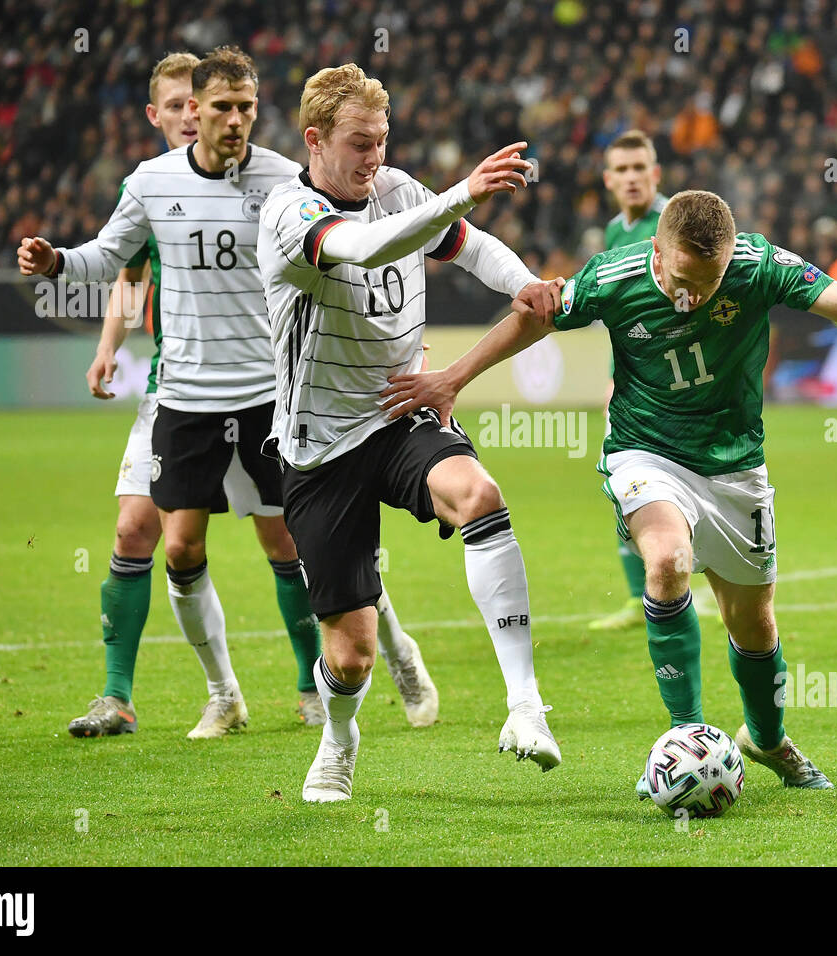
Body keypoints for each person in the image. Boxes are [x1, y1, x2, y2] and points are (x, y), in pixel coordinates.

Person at [383, 190, 837, 792]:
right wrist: (452, 377)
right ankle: (687, 742)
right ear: (656, 254)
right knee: (666, 561)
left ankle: (767, 740)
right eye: (685, 279)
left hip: (737, 465)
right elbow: (535, 318)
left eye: (710, 281)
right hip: (647, 453)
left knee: (755, 626)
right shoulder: (614, 275)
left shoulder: (756, 264)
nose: (697, 296)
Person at [21, 47, 436, 739]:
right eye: (220, 106)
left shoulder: (286, 180)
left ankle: (383, 653)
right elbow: (108, 255)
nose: (234, 119)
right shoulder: (152, 183)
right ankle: (223, 695)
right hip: (186, 396)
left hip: (277, 396)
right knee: (178, 547)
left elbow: (357, 248)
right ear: (193, 109)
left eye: (246, 107)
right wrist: (57, 261)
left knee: (302, 545)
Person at [257, 63, 564, 802]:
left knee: (478, 493)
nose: (376, 159)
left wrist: (521, 281)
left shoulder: (397, 190)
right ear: (315, 139)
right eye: (360, 143)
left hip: (399, 413)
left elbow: (471, 245)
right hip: (319, 445)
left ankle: (526, 706)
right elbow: (365, 249)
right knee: (353, 655)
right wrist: (463, 188)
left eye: (383, 141)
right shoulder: (286, 213)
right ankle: (339, 738)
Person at [589, 129, 716, 631]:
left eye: (639, 168)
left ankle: (688, 581)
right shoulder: (615, 231)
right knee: (625, 487)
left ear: (656, 174)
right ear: (608, 181)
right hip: (634, 387)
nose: (631, 178)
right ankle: (641, 595)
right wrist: (616, 379)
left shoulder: (677, 225)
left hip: (680, 389)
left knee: (686, 490)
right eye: (621, 170)